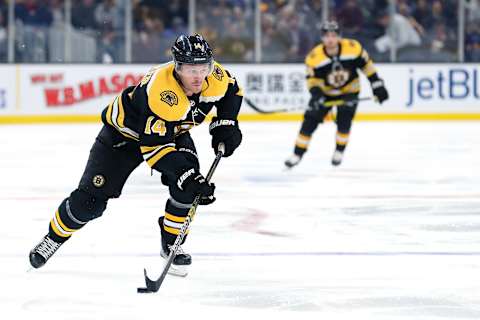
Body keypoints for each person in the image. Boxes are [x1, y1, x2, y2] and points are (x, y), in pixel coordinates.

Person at [29, 34, 243, 276]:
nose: (198, 76)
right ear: (177, 66)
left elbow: (232, 92)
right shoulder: (162, 93)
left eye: (203, 67)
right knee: (89, 203)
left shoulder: (214, 77)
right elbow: (154, 149)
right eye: (191, 69)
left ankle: (171, 242)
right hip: (123, 137)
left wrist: (225, 124)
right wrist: (186, 174)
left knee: (187, 189)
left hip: (172, 132)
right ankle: (53, 238)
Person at [284, 20, 388, 168]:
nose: (330, 39)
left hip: (349, 91)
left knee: (344, 123)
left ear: (340, 36)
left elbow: (367, 66)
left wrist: (377, 85)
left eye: (334, 35)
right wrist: (316, 95)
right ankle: (297, 154)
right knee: (309, 122)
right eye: (327, 36)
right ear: (322, 38)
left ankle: (339, 151)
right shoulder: (314, 57)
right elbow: (313, 81)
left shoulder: (353, 48)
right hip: (326, 93)